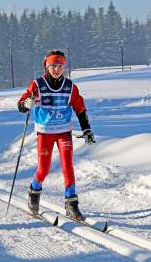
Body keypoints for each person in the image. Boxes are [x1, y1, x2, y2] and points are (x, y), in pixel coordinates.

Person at [17, 50, 95, 221]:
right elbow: (21, 104)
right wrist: (26, 104)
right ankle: (34, 192)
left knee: (68, 166)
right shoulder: (37, 84)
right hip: (45, 133)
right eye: (53, 66)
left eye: (60, 66)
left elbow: (80, 108)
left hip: (64, 132)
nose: (57, 69)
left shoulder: (70, 87)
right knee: (43, 169)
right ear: (46, 65)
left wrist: (87, 129)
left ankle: (71, 205)